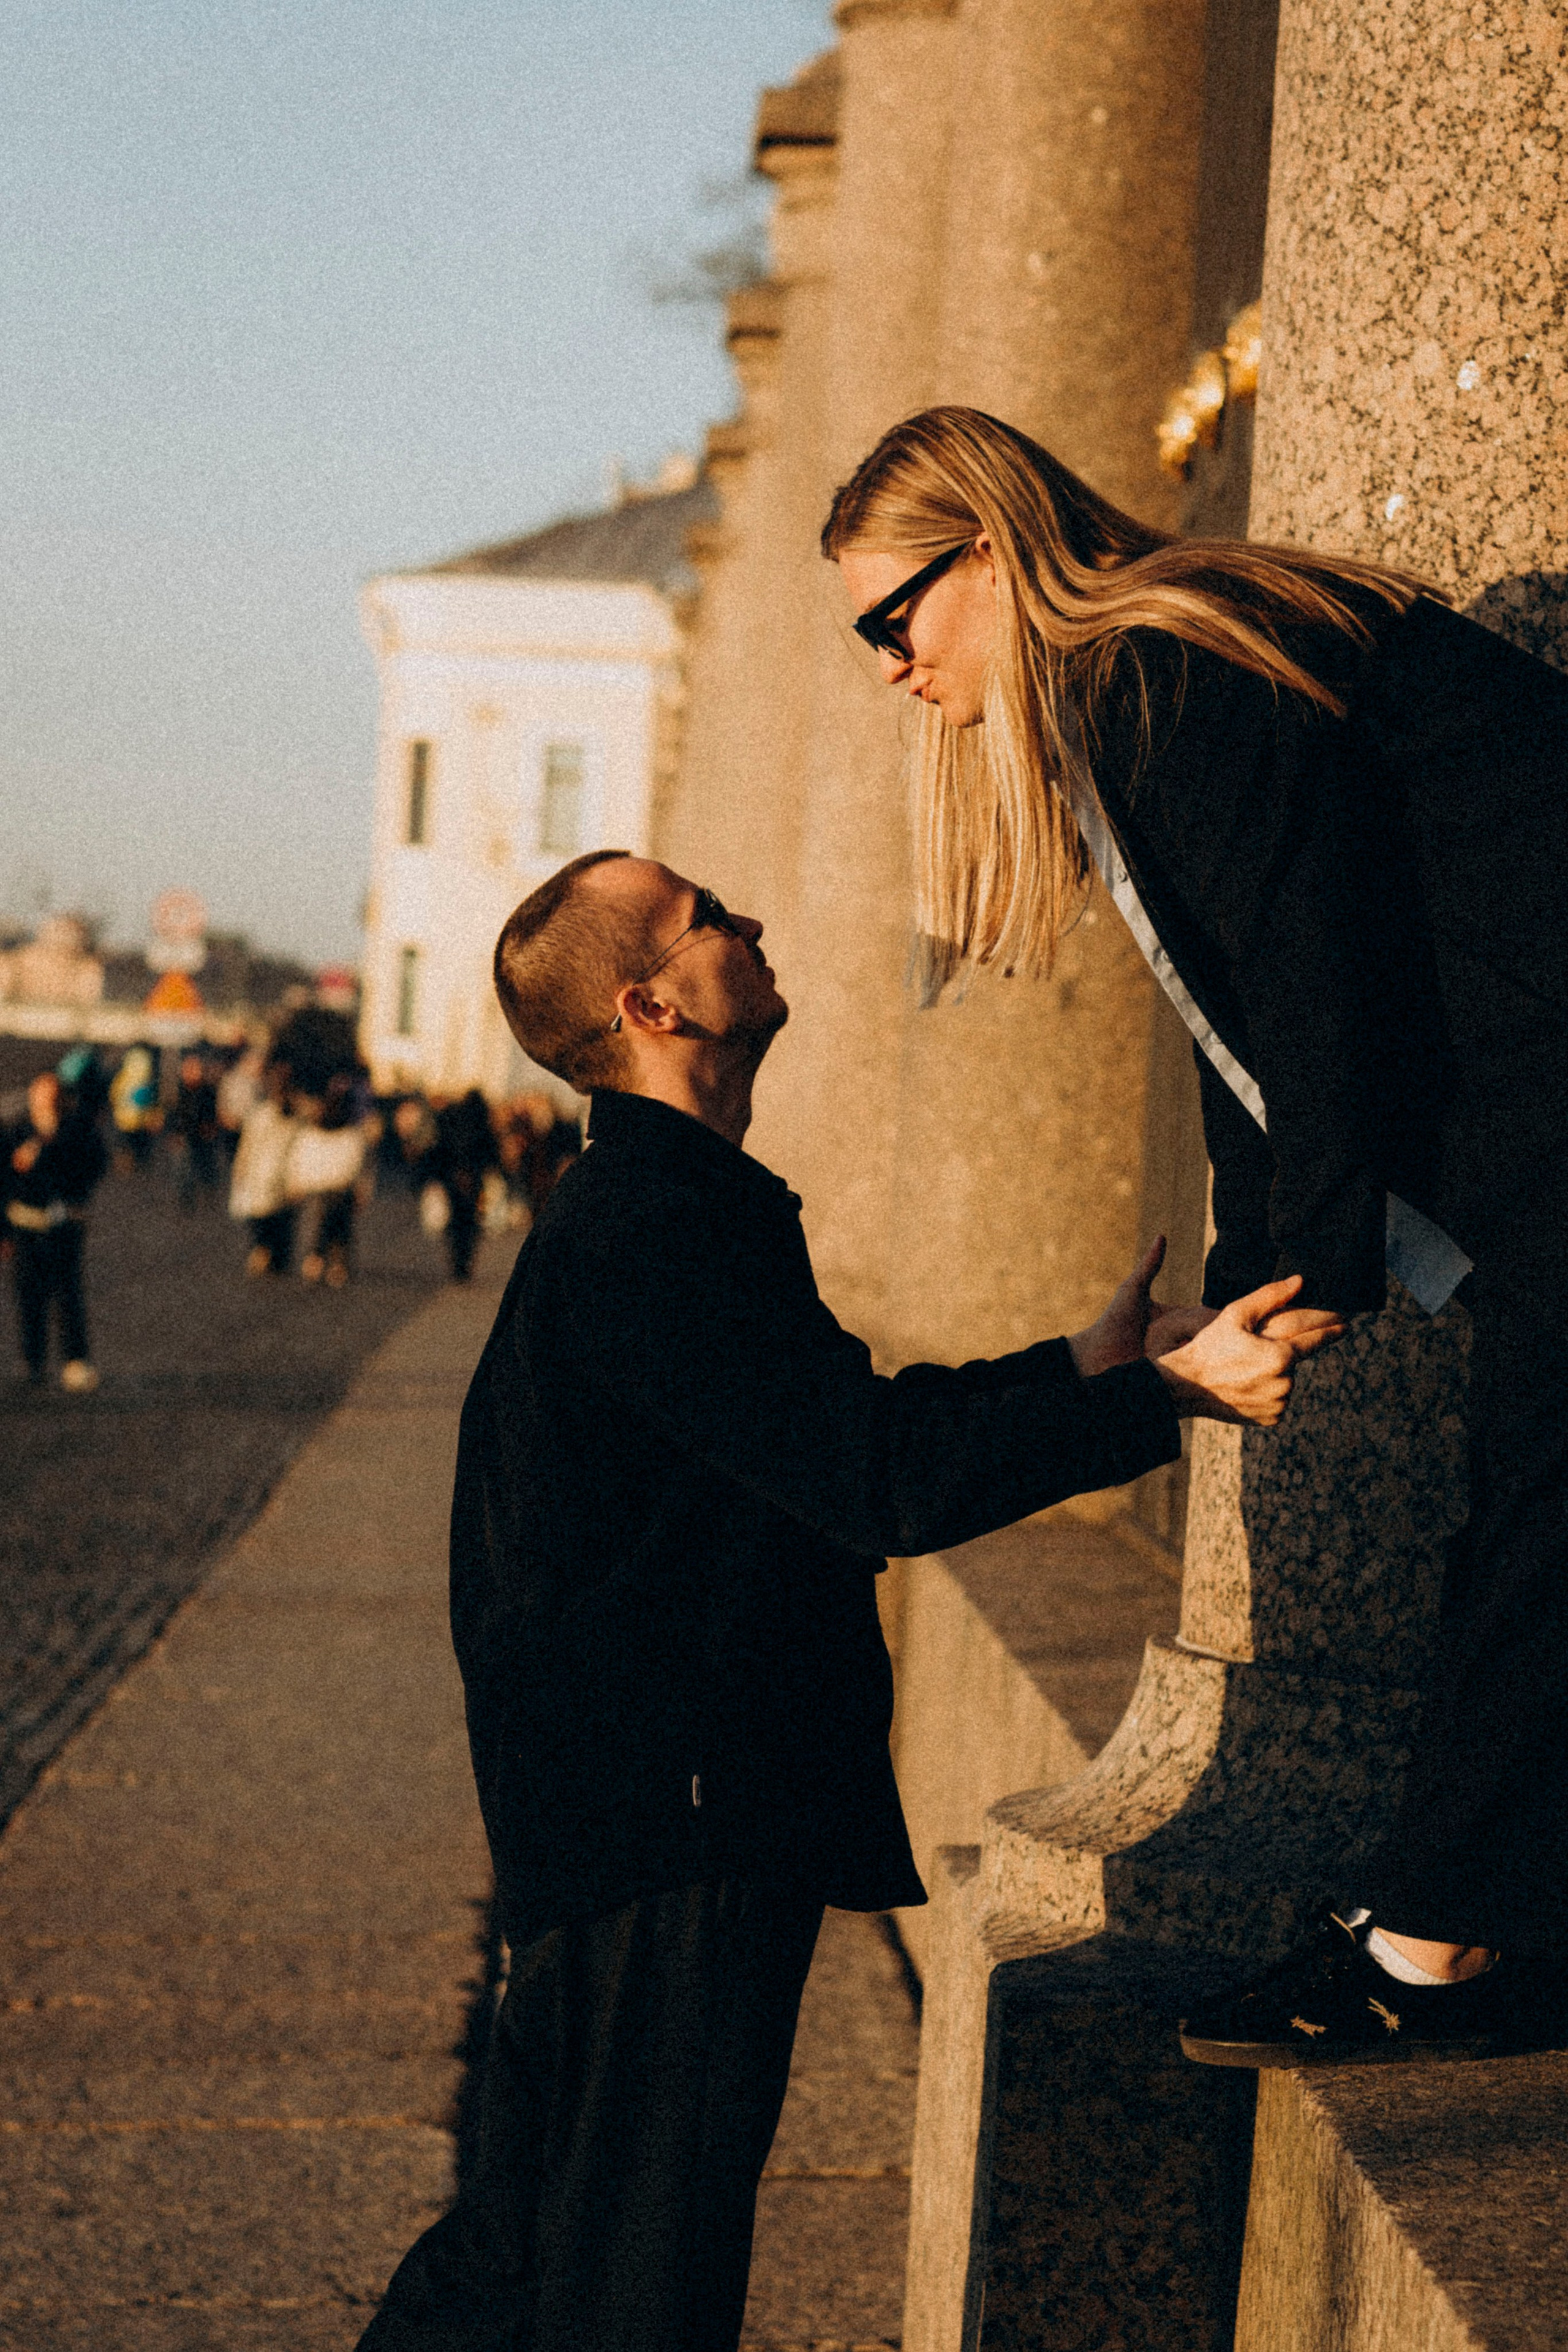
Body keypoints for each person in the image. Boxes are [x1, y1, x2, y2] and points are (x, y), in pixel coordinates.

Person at [358, 849, 1336, 2352]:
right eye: (705, 919)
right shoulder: (649, 1227)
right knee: (627, 2272)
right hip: (666, 1817)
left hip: (634, 1807)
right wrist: (1161, 1399)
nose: (746, 920)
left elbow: (821, 1433)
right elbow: (876, 1478)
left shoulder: (660, 1206)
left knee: (534, 2243)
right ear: (649, 1003)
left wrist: (1076, 1365)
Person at [824, 402, 1568, 2063]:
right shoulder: (1164, 684)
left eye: (897, 616)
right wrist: (1253, 1290)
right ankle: (1440, 1932)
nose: (889, 666)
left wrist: (1296, 1281)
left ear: (995, 555)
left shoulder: (1171, 681)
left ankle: (1430, 1942)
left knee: (1537, 1515)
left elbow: (1317, 983)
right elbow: (1250, 1032)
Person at [2, 1069, 108, 1392]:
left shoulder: (78, 1130)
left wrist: (51, 1152)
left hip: (64, 1226)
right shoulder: (15, 1131)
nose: (46, 1099)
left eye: (52, 1093)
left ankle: (75, 1361)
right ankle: (33, 1362)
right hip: (25, 1226)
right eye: (40, 1093)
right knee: (28, 1297)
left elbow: (94, 1166)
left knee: (68, 1295)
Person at [228, 1061, 298, 1277]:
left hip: (264, 1174)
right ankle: (271, 1254)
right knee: (279, 1219)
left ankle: (263, 1251)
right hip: (280, 1174)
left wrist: (240, 1171)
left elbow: (246, 1147)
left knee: (262, 1219)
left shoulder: (260, 1115)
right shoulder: (291, 1117)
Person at [423, 1088, 499, 1283]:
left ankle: (457, 1264)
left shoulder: (450, 1121)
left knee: (456, 1224)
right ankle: (464, 1264)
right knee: (471, 1224)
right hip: (474, 1179)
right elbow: (491, 1154)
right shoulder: (483, 1125)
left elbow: (437, 1151)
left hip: (452, 1178)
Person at [167, 1050, 222, 1212]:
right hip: (183, 1137)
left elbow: (213, 1112)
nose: (192, 1073)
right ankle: (186, 1200)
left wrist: (211, 1127)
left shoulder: (208, 1091)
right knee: (182, 1170)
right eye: (189, 1069)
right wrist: (173, 1133)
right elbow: (172, 1114)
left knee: (206, 1166)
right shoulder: (177, 1091)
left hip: (202, 1137)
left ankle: (208, 1194)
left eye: (195, 1069)